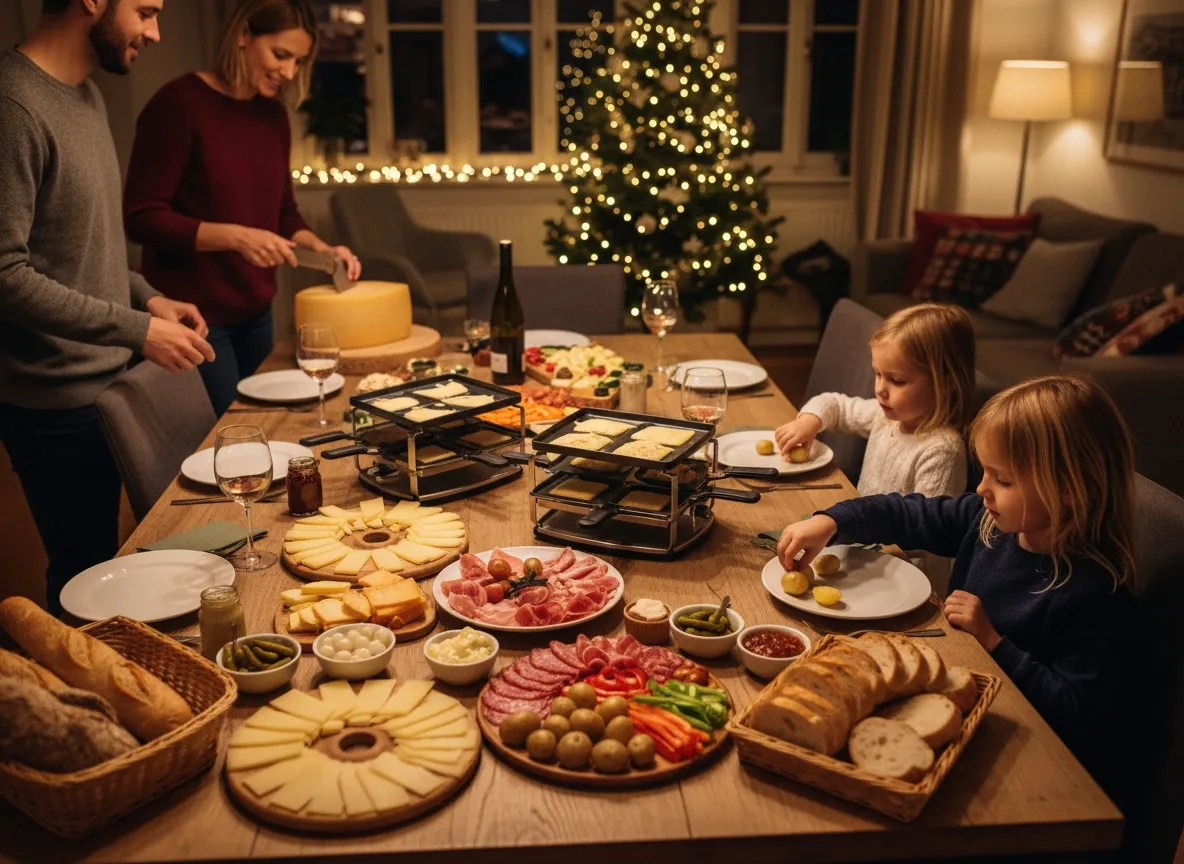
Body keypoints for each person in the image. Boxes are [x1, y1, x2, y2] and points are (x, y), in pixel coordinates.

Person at [776, 376, 1136, 783]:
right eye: (985, 471)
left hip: (1027, 763)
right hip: (965, 701)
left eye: (1003, 480)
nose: (982, 488)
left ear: (1071, 489)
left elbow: (1077, 715)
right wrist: (832, 521)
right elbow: (906, 514)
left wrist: (994, 641)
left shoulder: (1093, 593)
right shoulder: (989, 521)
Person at [0, 0, 216, 616]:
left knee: (122, 565)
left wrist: (150, 297)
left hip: (107, 382)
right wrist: (137, 328)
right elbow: (7, 274)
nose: (155, 32)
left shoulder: (86, 96)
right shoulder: (14, 106)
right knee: (84, 578)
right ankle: (75, 709)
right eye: (145, 11)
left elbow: (80, 253)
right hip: (53, 402)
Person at [124, 0, 361, 415]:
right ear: (243, 35)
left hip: (257, 313)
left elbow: (283, 212)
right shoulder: (178, 104)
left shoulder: (272, 115)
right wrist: (235, 237)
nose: (289, 72)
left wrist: (325, 252)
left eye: (298, 61)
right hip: (193, 319)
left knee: (267, 433)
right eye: (281, 55)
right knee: (227, 444)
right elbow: (142, 218)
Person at [774, 303, 976, 500]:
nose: (880, 389)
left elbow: (927, 526)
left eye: (896, 380)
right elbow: (836, 406)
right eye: (878, 374)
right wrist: (809, 421)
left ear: (946, 383)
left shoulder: (941, 452)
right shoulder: (885, 417)